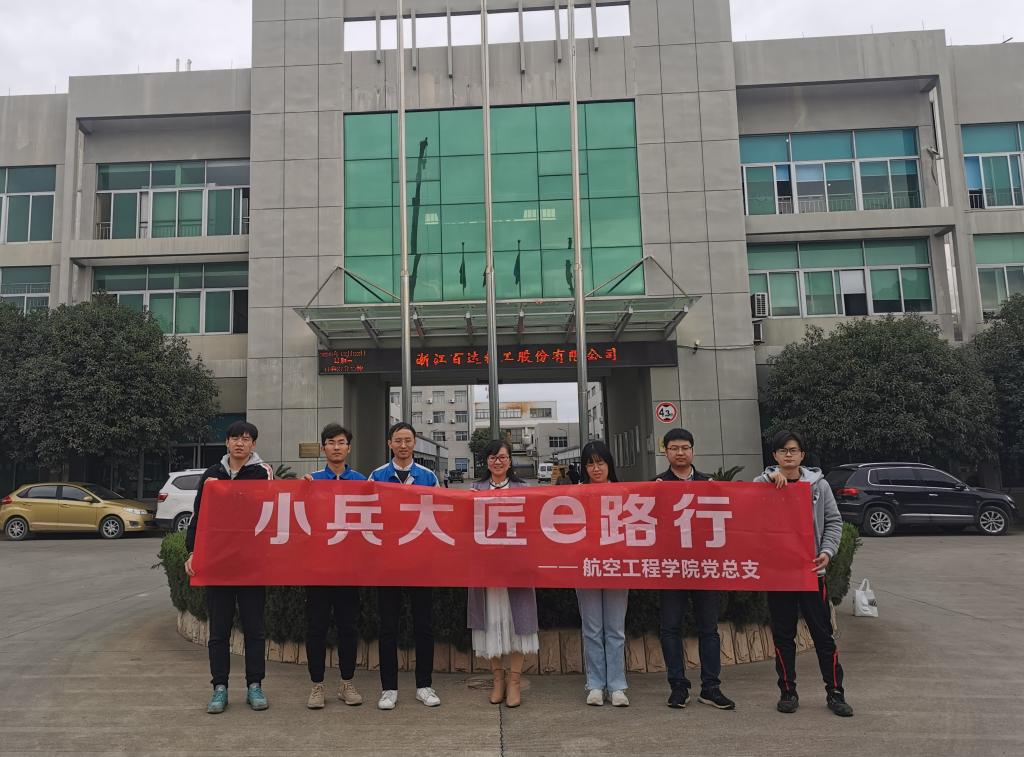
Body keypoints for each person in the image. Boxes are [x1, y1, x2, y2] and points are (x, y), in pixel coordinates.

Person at [755, 430, 853, 717]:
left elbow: (833, 521)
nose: (789, 455)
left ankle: (835, 692)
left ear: (802, 455)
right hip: (779, 574)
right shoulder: (762, 485)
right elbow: (749, 516)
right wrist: (768, 482)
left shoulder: (818, 486)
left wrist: (828, 552)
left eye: (794, 450)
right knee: (783, 635)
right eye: (783, 450)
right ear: (774, 455)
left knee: (823, 635)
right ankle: (788, 691)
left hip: (811, 572)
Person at [184, 421, 274, 714]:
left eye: (246, 439)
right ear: (226, 442)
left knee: (254, 629)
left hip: (251, 563)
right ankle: (219, 687)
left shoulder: (262, 472)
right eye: (234, 438)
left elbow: (269, 508)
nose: (239, 443)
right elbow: (199, 516)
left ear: (253, 444)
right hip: (219, 563)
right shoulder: (212, 474)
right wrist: (193, 552)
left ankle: (255, 686)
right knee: (219, 630)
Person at [654, 428, 735, 711]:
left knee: (709, 629)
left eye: (685, 447)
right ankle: (678, 687)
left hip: (704, 567)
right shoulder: (656, 486)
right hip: (671, 568)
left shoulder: (709, 484)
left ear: (693, 451)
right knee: (670, 628)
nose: (680, 453)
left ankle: (711, 687)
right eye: (674, 448)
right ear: (666, 452)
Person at [369, 422, 441, 711]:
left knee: (423, 625)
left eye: (408, 440)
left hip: (420, 563)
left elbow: (442, 513)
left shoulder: (428, 476)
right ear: (389, 443)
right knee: (388, 627)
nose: (403, 445)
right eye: (397, 440)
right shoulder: (377, 476)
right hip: (387, 563)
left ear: (414, 444)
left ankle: (424, 685)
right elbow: (367, 513)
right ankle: (389, 688)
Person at [467, 440, 539, 708]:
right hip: (486, 568)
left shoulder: (524, 489)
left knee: (518, 622)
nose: (497, 462)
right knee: (491, 621)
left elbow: (534, 526)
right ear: (486, 461)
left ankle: (515, 681)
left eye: (502, 457)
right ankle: (497, 679)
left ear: (510, 461)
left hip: (516, 567)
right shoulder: (475, 489)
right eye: (492, 457)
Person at [303, 423, 367, 710]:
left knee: (348, 627)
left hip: (349, 568)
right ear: (323, 448)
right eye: (331, 442)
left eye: (341, 442)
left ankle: (346, 683)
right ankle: (317, 685)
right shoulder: (312, 481)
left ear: (348, 448)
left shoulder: (362, 482)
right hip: (317, 568)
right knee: (316, 628)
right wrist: (301, 490)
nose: (336, 447)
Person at [575, 440, 630, 707]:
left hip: (616, 568)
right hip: (586, 568)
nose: (596, 468)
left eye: (600, 462)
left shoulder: (625, 493)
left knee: (615, 629)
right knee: (592, 629)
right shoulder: (575, 494)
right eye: (590, 464)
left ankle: (617, 686)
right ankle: (595, 684)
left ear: (609, 464)